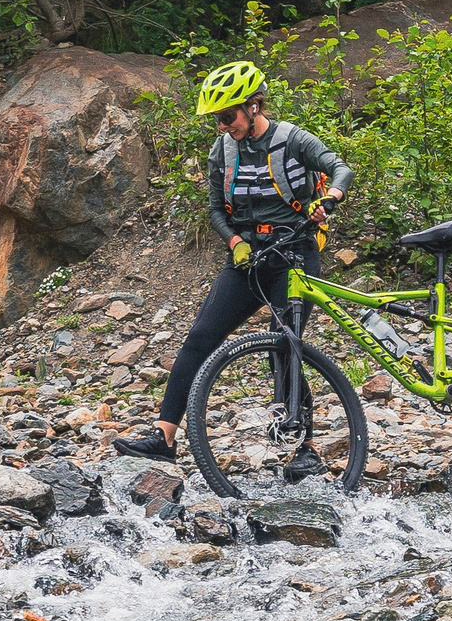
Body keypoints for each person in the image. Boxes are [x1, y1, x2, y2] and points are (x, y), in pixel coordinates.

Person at [115, 61, 351, 467]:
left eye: (228, 117)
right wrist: (234, 240)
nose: (224, 126)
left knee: (284, 344)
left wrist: (329, 199)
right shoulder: (221, 150)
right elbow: (214, 210)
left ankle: (305, 449)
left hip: (293, 253)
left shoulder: (292, 140)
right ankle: (164, 436)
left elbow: (340, 168)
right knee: (200, 338)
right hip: (247, 257)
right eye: (218, 120)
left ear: (254, 106)